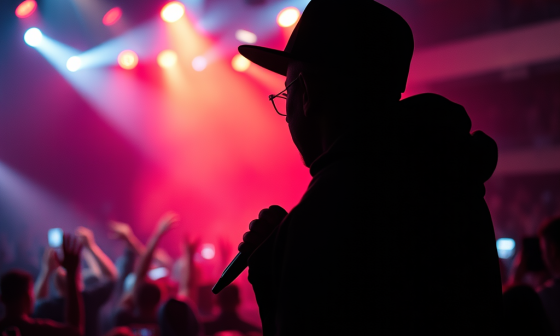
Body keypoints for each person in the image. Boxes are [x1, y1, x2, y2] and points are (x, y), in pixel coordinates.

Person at [234, 0, 502, 334]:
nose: (287, 113)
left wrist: (272, 262)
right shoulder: (452, 178)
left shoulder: (331, 207)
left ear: (306, 93)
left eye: (287, 94)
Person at [33, 227, 117, 336]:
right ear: (79, 278)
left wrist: (46, 271)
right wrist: (90, 247)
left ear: (56, 284)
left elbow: (37, 302)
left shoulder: (48, 307)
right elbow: (111, 277)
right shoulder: (88, 299)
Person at [0, 234, 84, 335]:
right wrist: (71, 274)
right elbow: (74, 332)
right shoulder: (39, 330)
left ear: (2, 298)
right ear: (28, 298)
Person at [112, 213, 178, 334]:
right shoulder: (165, 320)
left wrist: (156, 235)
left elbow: (143, 267)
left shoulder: (124, 316)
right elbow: (144, 265)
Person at [538, 216, 560, 335]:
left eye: (542, 250)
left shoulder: (545, 296)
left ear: (551, 249)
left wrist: (516, 279)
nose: (542, 256)